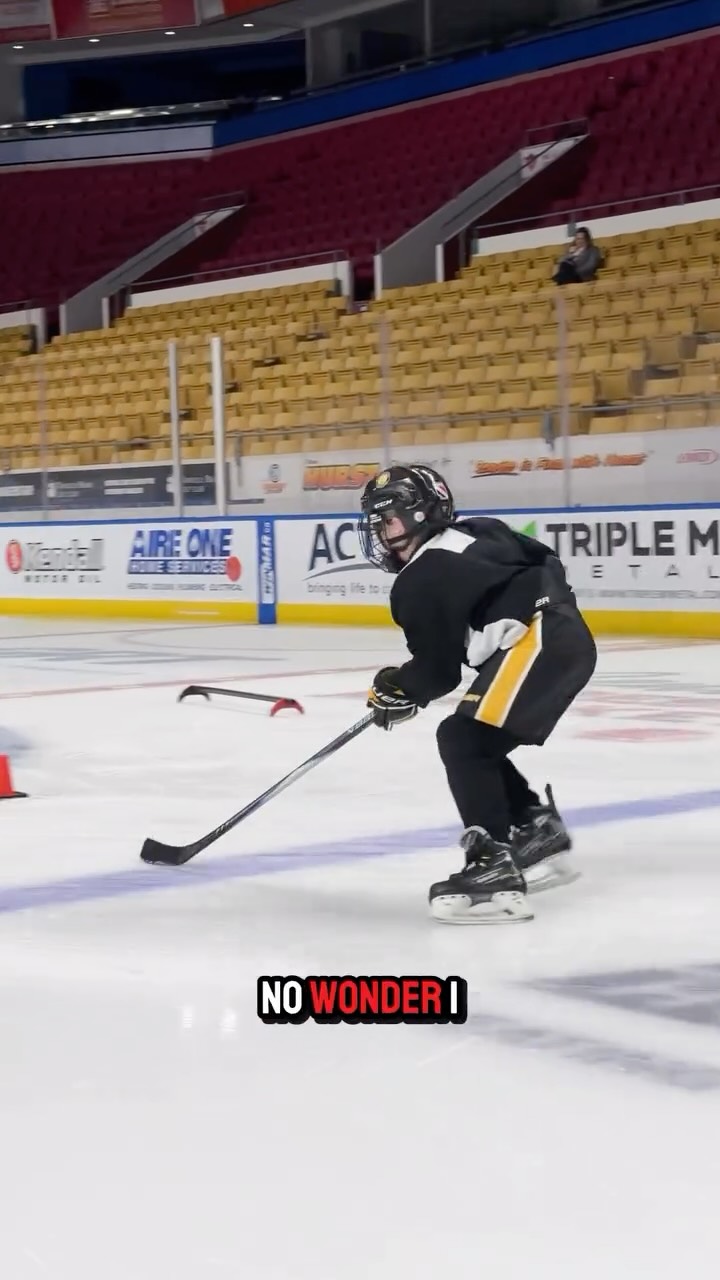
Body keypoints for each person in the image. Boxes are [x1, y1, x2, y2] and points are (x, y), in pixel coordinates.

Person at [359, 464, 597, 925]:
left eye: (388, 521)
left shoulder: (419, 578)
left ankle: (492, 865)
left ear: (422, 515)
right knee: (476, 739)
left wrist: (394, 686)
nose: (383, 535)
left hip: (542, 640)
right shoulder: (478, 530)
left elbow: (437, 673)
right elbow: (546, 559)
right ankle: (533, 826)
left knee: (461, 740)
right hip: (562, 634)